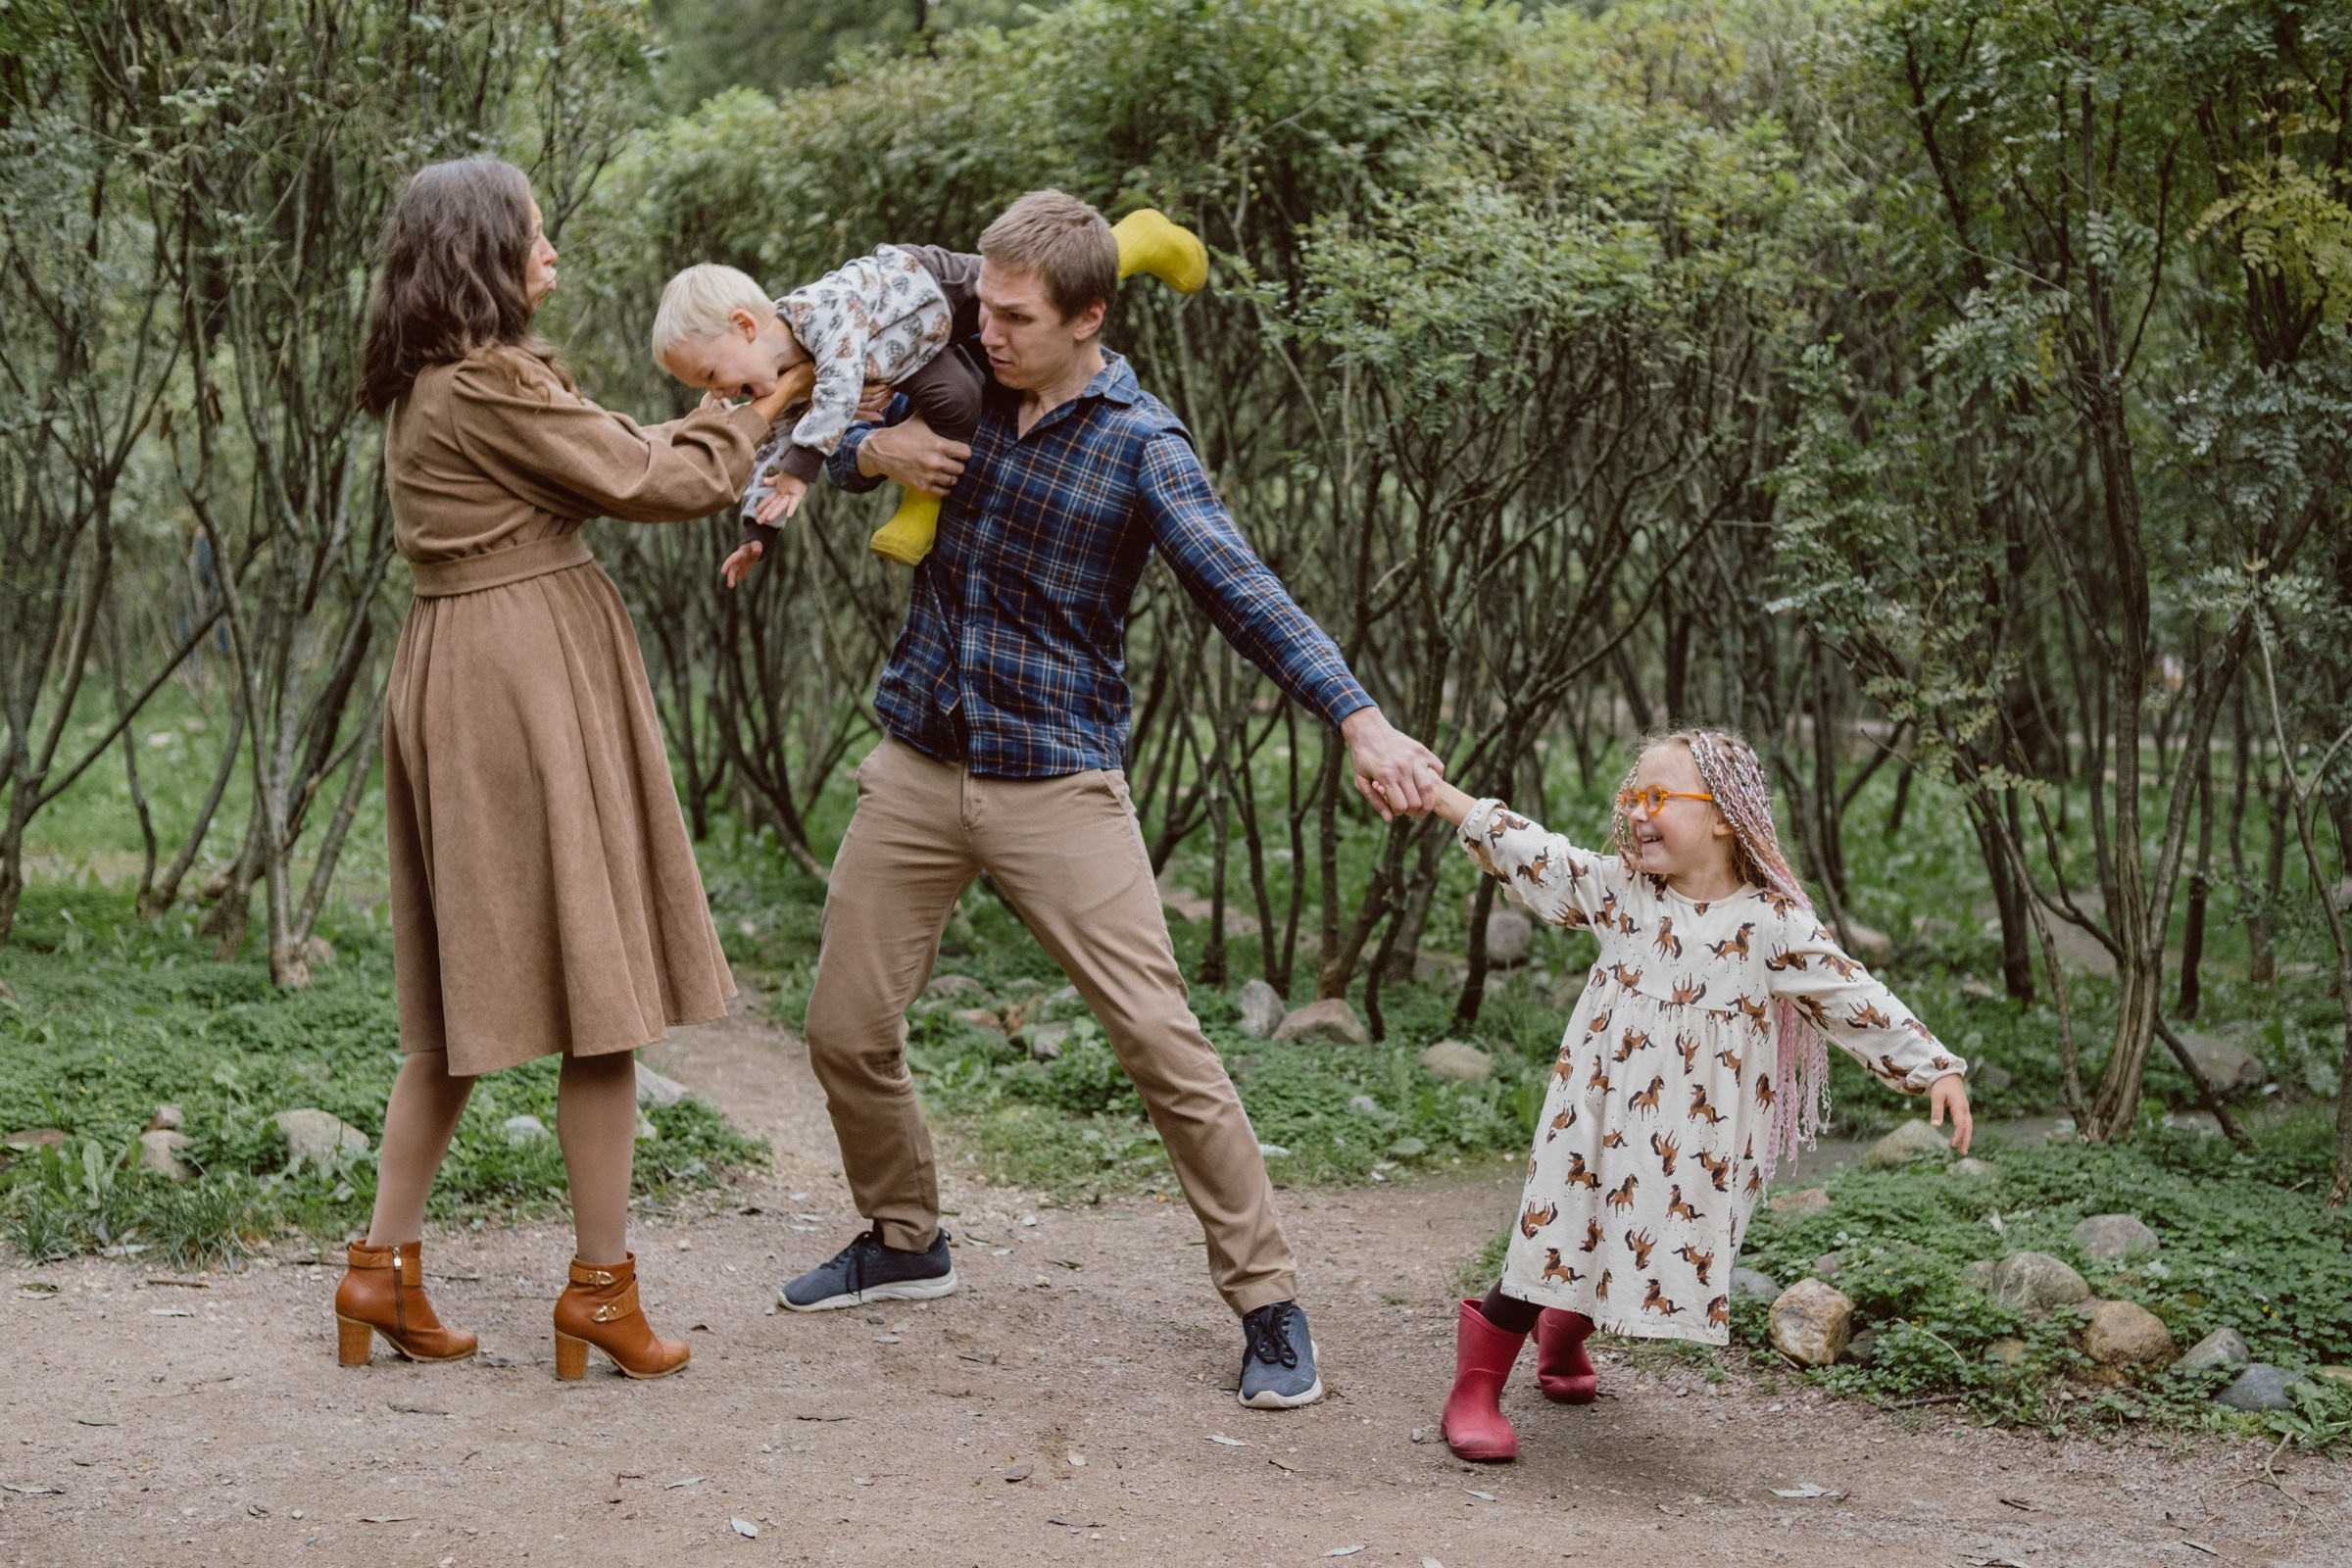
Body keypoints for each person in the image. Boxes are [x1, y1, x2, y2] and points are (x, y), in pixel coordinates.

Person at [761, 189, 1443, 1410]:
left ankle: (1271, 1301)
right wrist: (873, 448)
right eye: (987, 306)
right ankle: (905, 1238)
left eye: (1019, 317)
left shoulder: (1141, 444)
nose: (993, 330)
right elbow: (818, 415)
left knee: (1163, 1047)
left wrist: (1360, 717)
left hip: (1057, 780)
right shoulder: (952, 362)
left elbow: (1243, 588)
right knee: (844, 1030)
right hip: (919, 761)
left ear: (1091, 316)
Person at [337, 157, 806, 1383]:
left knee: (458, 1006)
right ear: (485, 255)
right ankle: (598, 1293)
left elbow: (612, 443)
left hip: (480, 664)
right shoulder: (488, 382)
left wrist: (723, 415)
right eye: (537, 238)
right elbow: (662, 476)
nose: (553, 256)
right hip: (519, 680)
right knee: (595, 994)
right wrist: (762, 400)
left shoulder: (444, 383)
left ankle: (380, 1271)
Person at [1426, 728, 1973, 1461]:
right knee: (1558, 1233)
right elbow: (1534, 852)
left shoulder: (1770, 924)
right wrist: (1438, 795)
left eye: (1659, 797)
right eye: (1633, 797)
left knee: (1654, 1234)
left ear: (1723, 815)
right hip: (1593, 1115)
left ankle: (1565, 1334)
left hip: (1699, 1139)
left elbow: (1849, 992)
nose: (1638, 813)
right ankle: (1475, 1389)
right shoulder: (1621, 892)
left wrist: (1931, 1064)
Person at [654, 209, 1206, 568]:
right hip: (909, 353)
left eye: (708, 376)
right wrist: (759, 527)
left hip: (928, 291)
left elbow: (840, 389)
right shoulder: (778, 381)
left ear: (746, 327)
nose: (719, 394)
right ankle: (924, 500)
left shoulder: (818, 314)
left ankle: (1135, 239)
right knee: (958, 402)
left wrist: (802, 470)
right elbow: (775, 449)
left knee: (1041, 282)